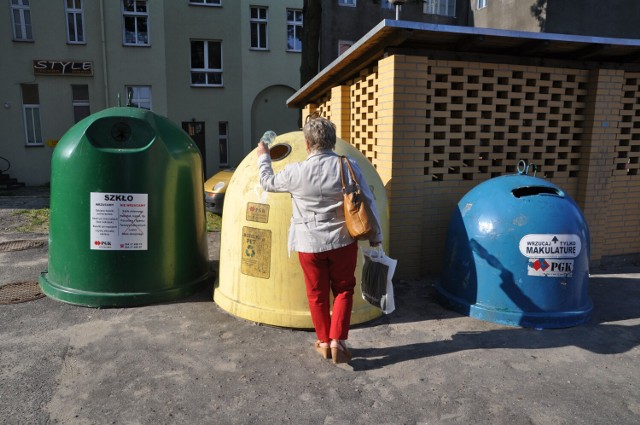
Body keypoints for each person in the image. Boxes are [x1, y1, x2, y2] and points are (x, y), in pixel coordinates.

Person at [256, 116, 382, 364]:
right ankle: (338, 341)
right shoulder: (349, 166)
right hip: (343, 241)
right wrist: (376, 236)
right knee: (344, 289)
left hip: (308, 244)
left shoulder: (296, 172)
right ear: (332, 142)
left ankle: (324, 341)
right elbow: (368, 200)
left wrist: (263, 156)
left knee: (316, 294)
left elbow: (267, 182)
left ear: (307, 143)